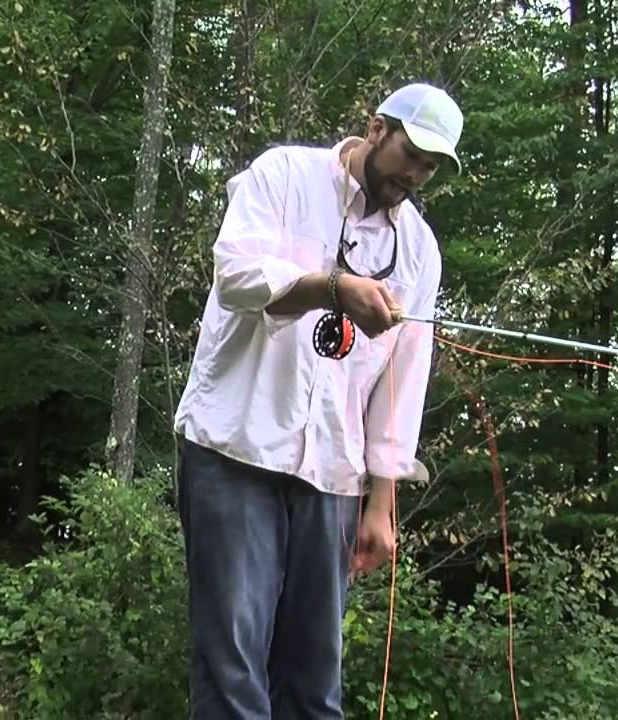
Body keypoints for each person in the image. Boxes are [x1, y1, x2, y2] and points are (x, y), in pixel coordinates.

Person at [172, 82, 463, 718]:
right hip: (234, 448)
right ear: (378, 128)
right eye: (412, 153)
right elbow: (237, 277)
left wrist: (381, 501)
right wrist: (333, 289)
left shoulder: (419, 249)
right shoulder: (284, 175)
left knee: (313, 681)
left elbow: (400, 379)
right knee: (232, 672)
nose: (416, 173)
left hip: (333, 472)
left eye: (432, 166)